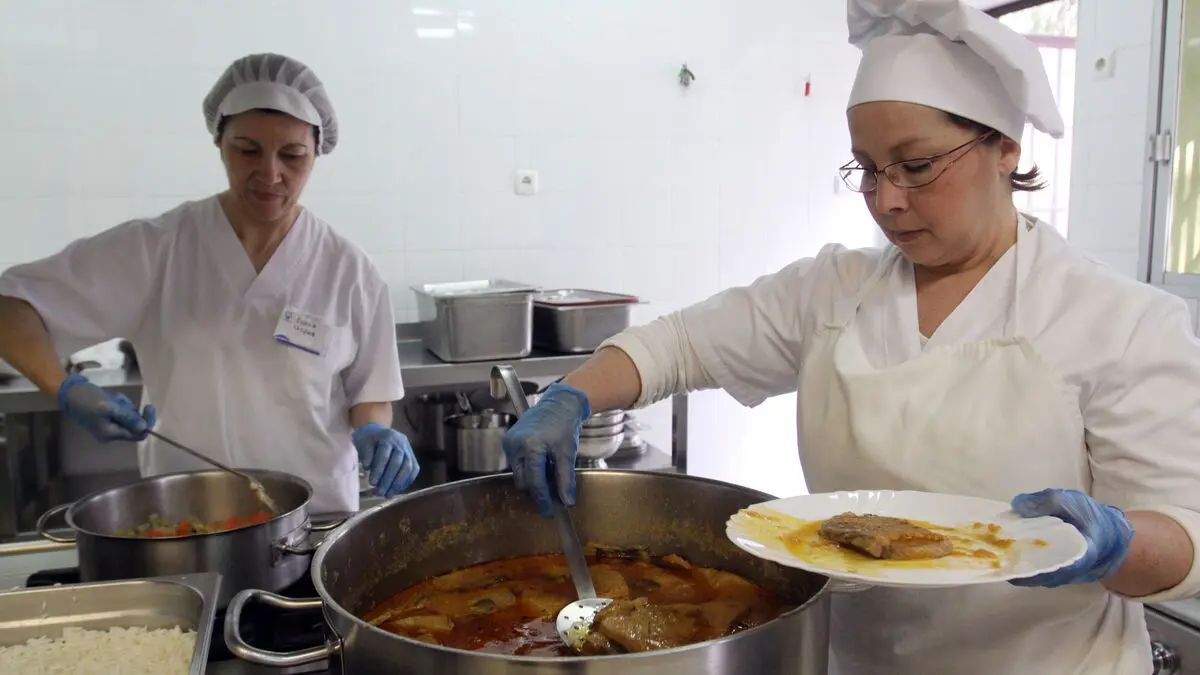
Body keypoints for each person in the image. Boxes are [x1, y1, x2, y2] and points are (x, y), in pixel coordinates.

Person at [501, 1, 1200, 672]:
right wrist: (570, 396)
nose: (887, 198)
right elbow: (676, 345)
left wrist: (1120, 542)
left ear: (1004, 148)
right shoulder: (833, 289)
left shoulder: (1123, 320)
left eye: (917, 165)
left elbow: (1186, 540)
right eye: (866, 168)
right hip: (852, 659)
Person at [0, 53, 419, 514]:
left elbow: (371, 395)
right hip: (186, 523)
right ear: (219, 142)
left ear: (317, 153)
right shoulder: (158, 249)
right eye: (248, 150)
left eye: (293, 155)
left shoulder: (349, 270)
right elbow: (12, 306)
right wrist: (63, 388)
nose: (271, 173)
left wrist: (376, 430)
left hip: (316, 520)